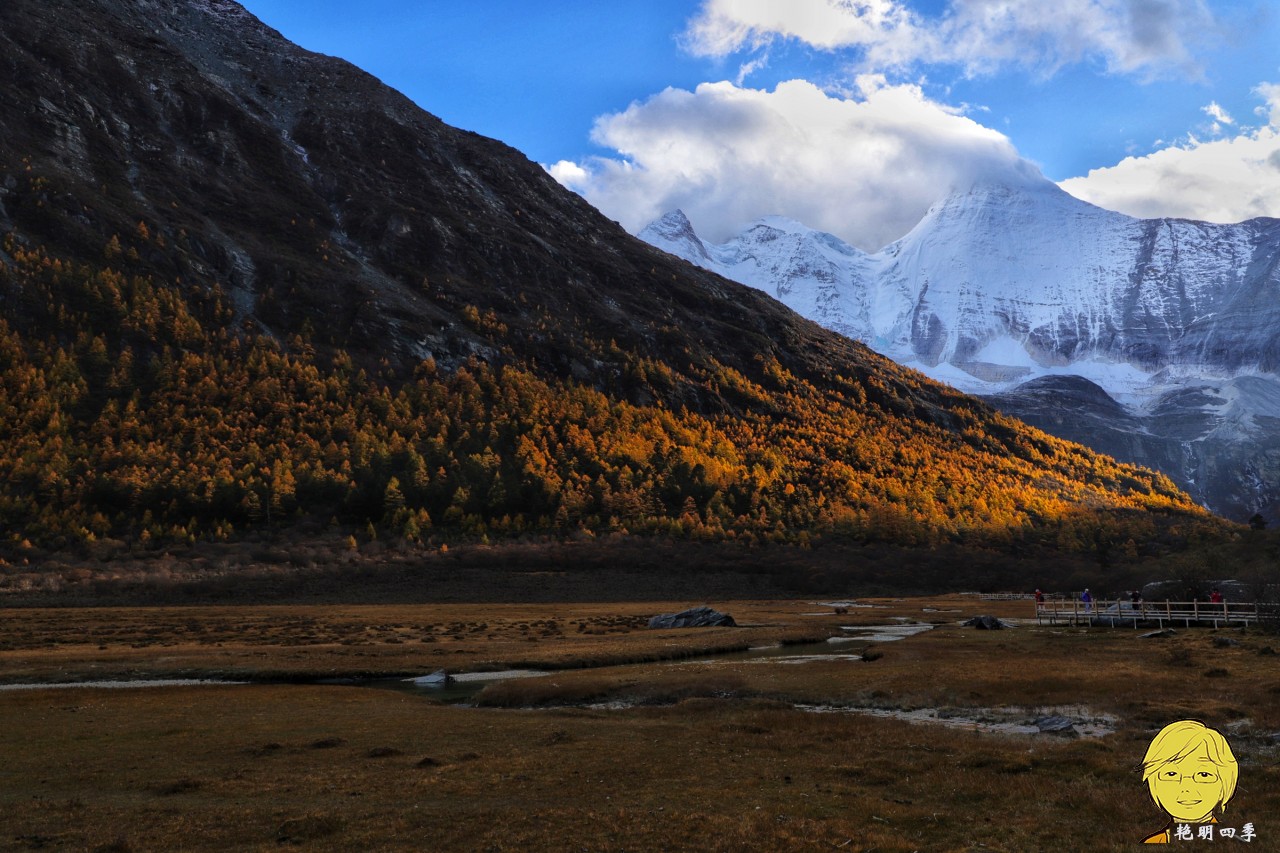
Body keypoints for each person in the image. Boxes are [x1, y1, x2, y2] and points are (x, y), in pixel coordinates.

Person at [1140, 720, 1238, 843]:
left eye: (1203, 774)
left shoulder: (1234, 844)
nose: (1187, 787)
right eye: (1172, 774)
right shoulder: (1153, 843)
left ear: (1225, 783)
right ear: (1153, 782)